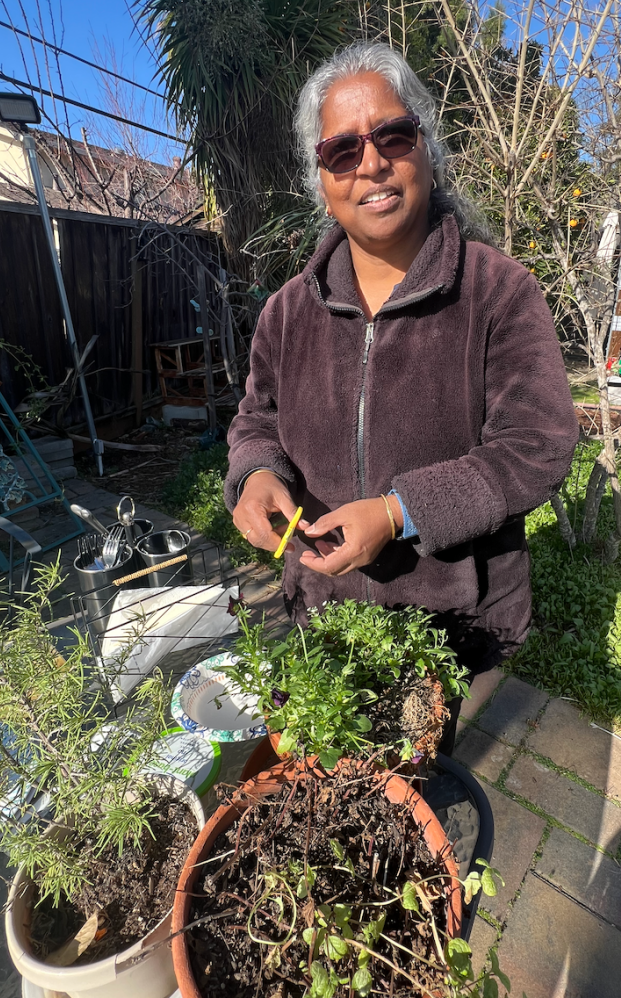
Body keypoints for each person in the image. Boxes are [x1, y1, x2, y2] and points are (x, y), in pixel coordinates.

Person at [225, 42, 579, 751]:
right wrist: (256, 473)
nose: (372, 163)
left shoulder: (497, 291)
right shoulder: (286, 313)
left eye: (392, 135)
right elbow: (255, 419)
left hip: (446, 616)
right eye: (342, 151)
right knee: (328, 767)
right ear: (318, 178)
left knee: (415, 775)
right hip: (323, 605)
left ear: (425, 146)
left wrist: (398, 513)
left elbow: (536, 446)